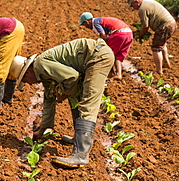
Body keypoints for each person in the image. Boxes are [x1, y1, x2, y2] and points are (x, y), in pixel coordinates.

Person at [9, 38, 114, 168]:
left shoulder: (40, 65)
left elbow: (72, 77)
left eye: (25, 80)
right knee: (75, 98)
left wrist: (63, 93)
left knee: (87, 104)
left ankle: (80, 156)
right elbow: (49, 99)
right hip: (89, 60)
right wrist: (42, 129)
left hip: (96, 58)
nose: (29, 84)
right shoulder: (43, 73)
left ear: (28, 72)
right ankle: (78, 139)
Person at [127, 0, 177, 74]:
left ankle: (158, 71)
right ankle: (166, 63)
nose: (133, 8)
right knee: (162, 44)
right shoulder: (148, 2)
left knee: (156, 48)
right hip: (172, 24)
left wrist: (140, 35)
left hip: (164, 26)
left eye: (133, 6)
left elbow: (145, 27)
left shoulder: (142, 9)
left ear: (137, 2)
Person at [78, 12, 133, 79]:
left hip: (119, 34)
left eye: (84, 25)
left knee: (108, 52)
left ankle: (111, 73)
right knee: (118, 56)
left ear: (87, 22)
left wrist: (100, 46)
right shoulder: (99, 20)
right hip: (129, 34)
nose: (86, 27)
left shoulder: (95, 23)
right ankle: (118, 74)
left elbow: (104, 36)